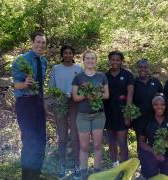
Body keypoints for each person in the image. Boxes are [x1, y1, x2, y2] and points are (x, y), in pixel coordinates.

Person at [12, 31, 47, 180]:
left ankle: (36, 174)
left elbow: (41, 86)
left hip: (38, 102)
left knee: (41, 139)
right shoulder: (21, 60)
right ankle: (27, 176)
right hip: (25, 103)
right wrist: (24, 84)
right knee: (29, 139)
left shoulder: (44, 61)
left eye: (43, 42)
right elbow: (14, 84)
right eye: (38, 42)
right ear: (32, 42)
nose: (40, 45)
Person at [72, 50, 109, 180]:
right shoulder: (78, 77)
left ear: (96, 60)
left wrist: (96, 95)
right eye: (87, 58)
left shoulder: (101, 76)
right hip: (83, 116)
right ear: (83, 60)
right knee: (84, 146)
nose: (90, 61)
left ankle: (97, 173)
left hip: (98, 115)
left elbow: (106, 95)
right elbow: (75, 97)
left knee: (98, 145)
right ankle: (84, 173)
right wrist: (86, 95)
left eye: (92, 58)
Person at [49, 45, 83, 179]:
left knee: (75, 136)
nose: (68, 55)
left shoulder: (78, 69)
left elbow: (82, 87)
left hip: (75, 103)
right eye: (65, 53)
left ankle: (77, 165)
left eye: (70, 53)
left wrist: (74, 94)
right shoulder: (56, 68)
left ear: (73, 55)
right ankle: (62, 165)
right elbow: (52, 87)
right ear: (62, 55)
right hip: (60, 104)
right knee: (62, 136)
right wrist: (60, 95)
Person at [138, 95, 168, 179]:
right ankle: (145, 176)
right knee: (150, 171)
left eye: (162, 104)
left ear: (166, 105)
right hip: (151, 150)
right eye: (156, 104)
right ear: (152, 106)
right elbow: (141, 142)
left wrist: (167, 144)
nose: (159, 107)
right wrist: (154, 152)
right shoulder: (146, 120)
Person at [104, 50, 134, 167]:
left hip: (122, 112)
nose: (115, 62)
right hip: (109, 112)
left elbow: (130, 94)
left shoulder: (127, 75)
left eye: (117, 60)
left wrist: (127, 114)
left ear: (121, 61)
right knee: (111, 141)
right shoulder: (105, 76)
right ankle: (114, 165)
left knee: (122, 141)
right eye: (113, 60)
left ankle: (124, 166)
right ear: (109, 61)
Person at [133, 58, 163, 139]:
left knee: (154, 142)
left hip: (154, 118)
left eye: (145, 67)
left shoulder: (155, 81)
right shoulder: (133, 82)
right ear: (137, 69)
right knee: (141, 144)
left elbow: (163, 96)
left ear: (149, 68)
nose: (143, 69)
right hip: (139, 119)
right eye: (140, 67)